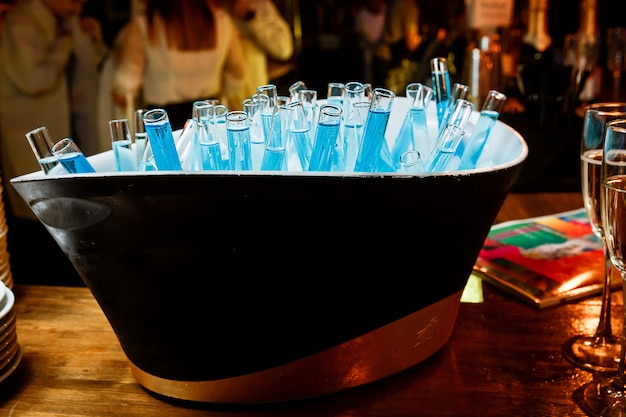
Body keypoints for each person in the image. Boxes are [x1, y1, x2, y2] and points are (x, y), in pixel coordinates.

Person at [0, 0, 106, 285]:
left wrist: (86, 37)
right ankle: (47, 282)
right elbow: (34, 80)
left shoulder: (55, 22)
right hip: (30, 132)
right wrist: (66, 42)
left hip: (58, 128)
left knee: (59, 203)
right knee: (39, 209)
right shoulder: (23, 21)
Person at [111, 0, 245, 130]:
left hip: (163, 124)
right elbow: (237, 74)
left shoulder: (146, 26)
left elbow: (125, 88)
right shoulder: (222, 21)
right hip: (209, 118)